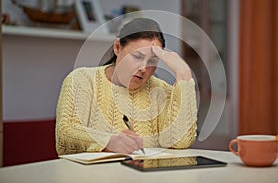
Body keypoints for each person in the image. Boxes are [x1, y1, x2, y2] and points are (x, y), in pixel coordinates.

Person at [55, 18, 197, 155]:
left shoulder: (163, 91)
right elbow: (65, 134)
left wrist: (184, 76)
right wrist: (108, 142)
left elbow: (180, 143)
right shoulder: (81, 80)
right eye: (137, 56)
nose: (143, 68)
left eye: (152, 61)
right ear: (117, 47)